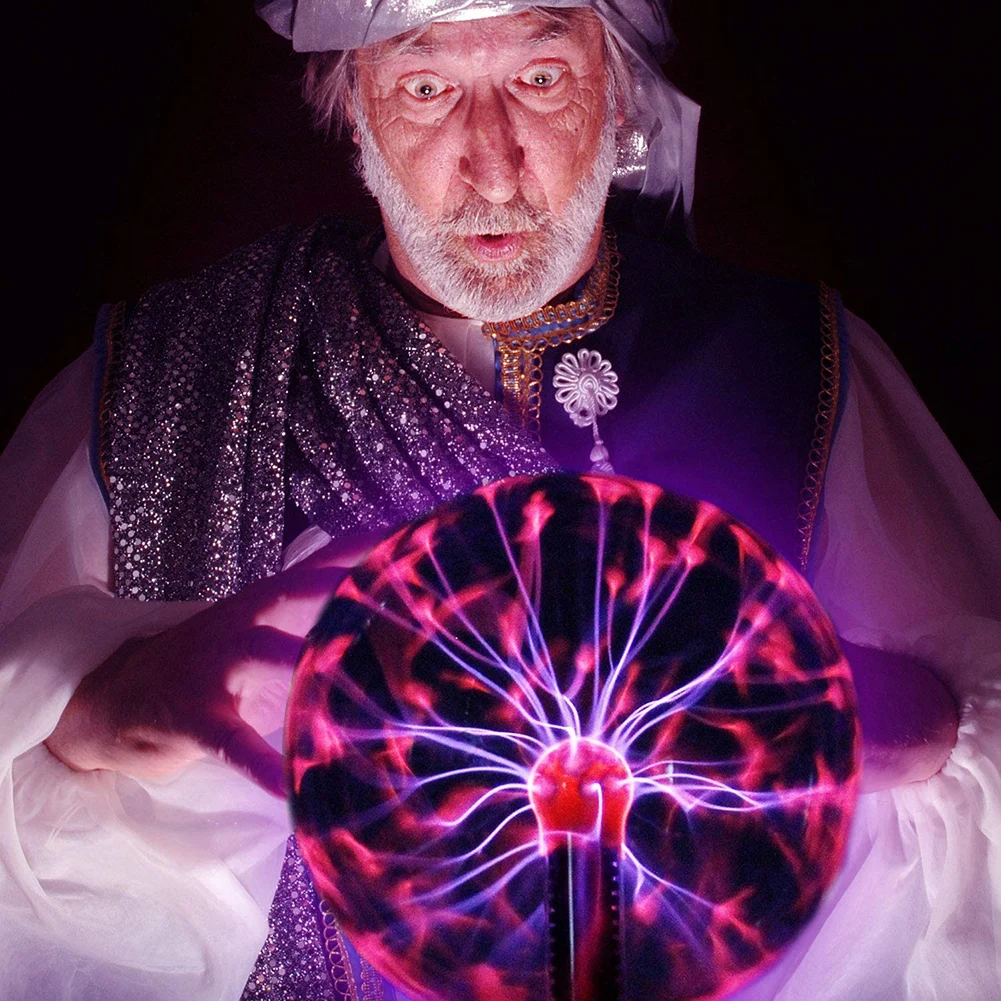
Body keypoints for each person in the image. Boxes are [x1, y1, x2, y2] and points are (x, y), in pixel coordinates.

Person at [0, 2, 997, 1000]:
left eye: (539, 78)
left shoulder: (796, 364)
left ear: (617, 94)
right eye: (427, 88)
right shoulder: (161, 378)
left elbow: (967, 810)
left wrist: (827, 711)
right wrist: (94, 706)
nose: (491, 167)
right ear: (354, 108)